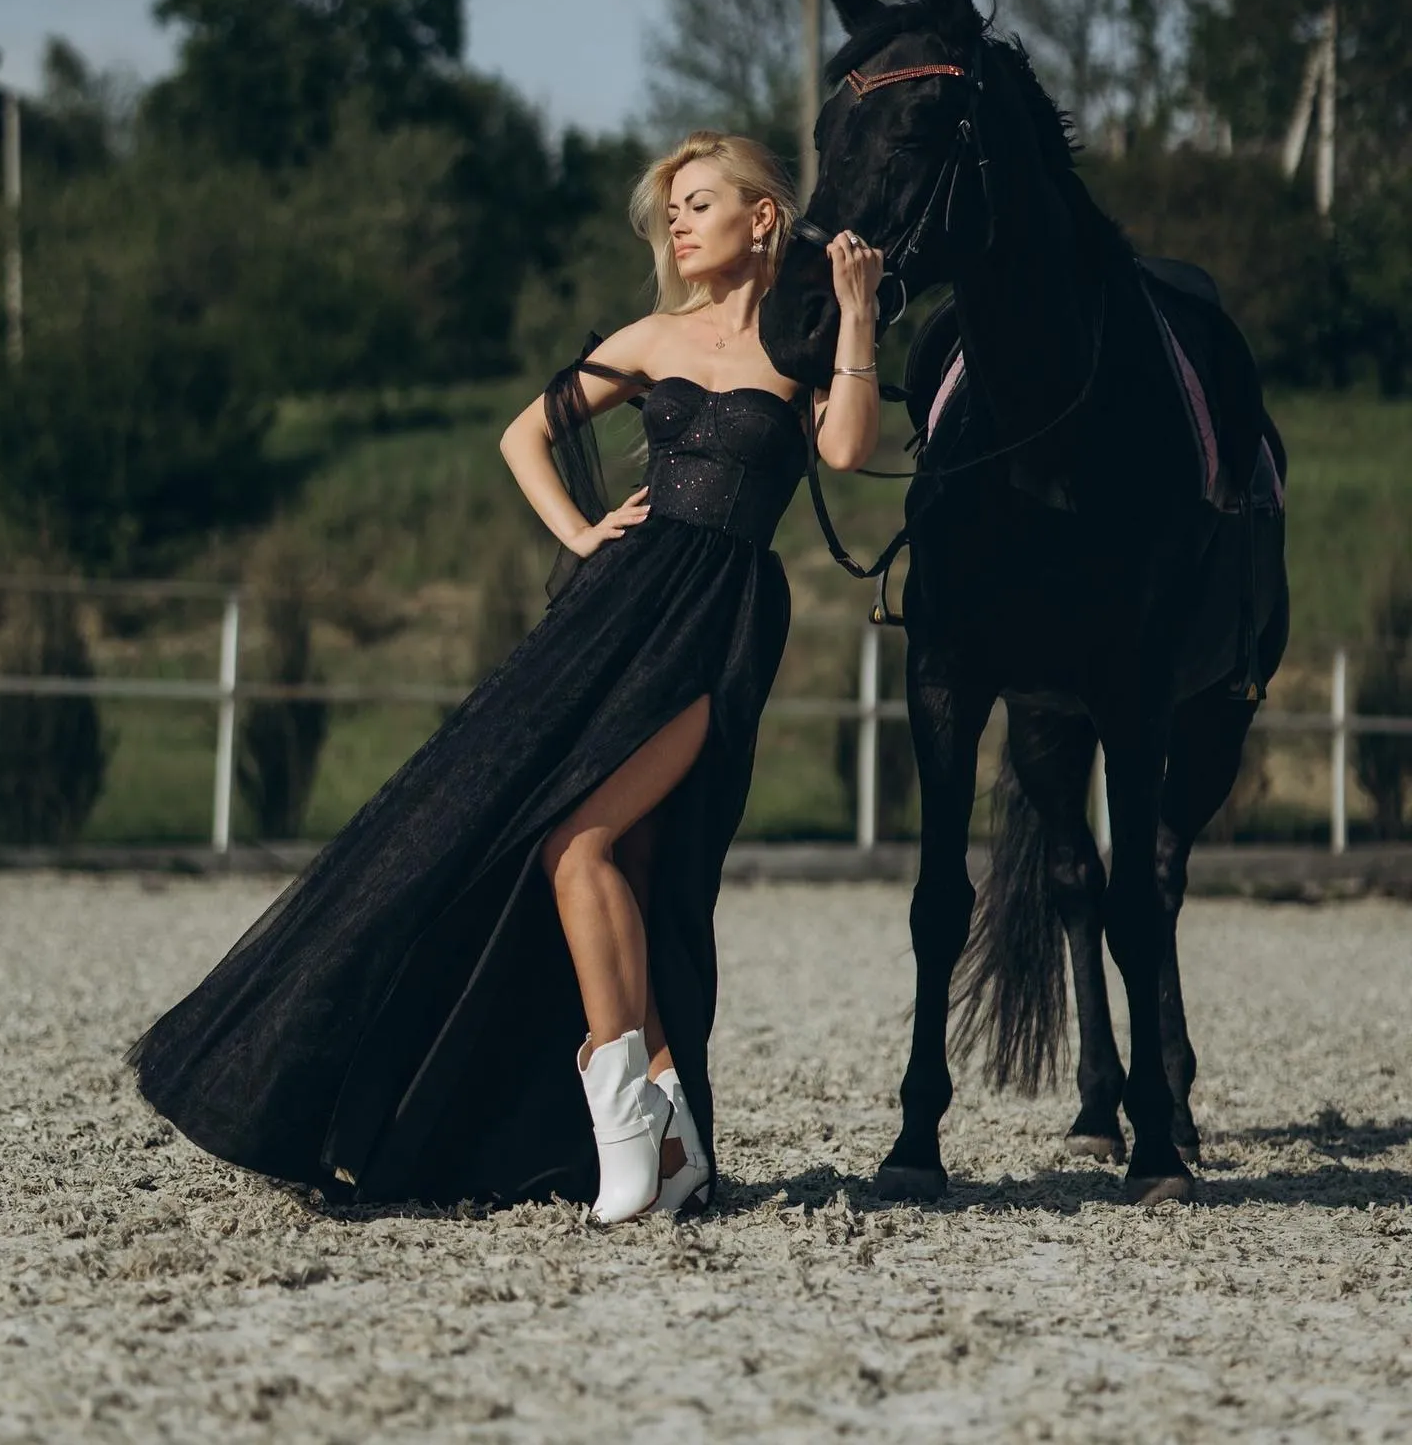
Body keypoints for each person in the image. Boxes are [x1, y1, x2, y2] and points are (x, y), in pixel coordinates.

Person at [129, 130, 882, 1222]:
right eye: (669, 208)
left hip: (715, 627)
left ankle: (640, 1131)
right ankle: (657, 1132)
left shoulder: (802, 339)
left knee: (584, 844)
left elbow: (851, 451)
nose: (675, 222)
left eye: (698, 202)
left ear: (762, 218)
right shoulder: (649, 337)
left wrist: (856, 314)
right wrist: (581, 535)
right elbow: (523, 435)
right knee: (569, 846)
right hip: (612, 617)